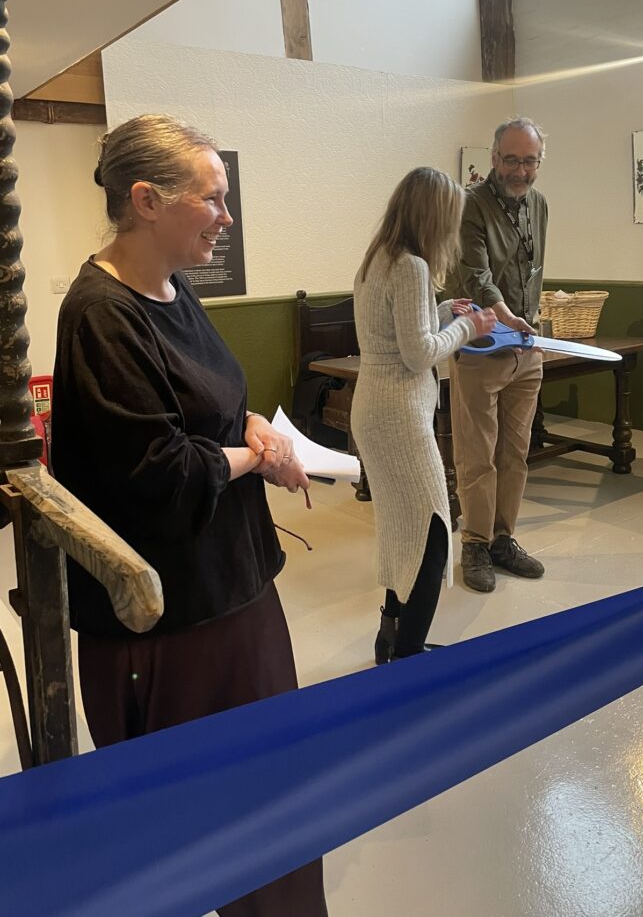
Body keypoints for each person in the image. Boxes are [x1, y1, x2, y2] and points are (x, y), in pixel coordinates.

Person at [50, 114, 327, 917]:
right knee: (204, 826)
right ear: (145, 200)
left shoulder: (175, 292)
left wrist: (253, 429)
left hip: (237, 590)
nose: (227, 217)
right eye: (213, 199)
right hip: (174, 623)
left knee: (272, 807)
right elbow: (160, 474)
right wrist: (258, 459)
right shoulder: (101, 314)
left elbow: (215, 402)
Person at [351, 167, 495, 662]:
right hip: (399, 415)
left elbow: (394, 331)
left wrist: (440, 309)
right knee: (434, 529)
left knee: (398, 529)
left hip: (373, 407)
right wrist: (469, 327)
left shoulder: (376, 260)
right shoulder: (411, 265)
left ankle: (389, 633)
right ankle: (411, 652)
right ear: (432, 217)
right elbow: (418, 354)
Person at [444, 117, 549, 594]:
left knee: (515, 452)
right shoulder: (470, 205)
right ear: (493, 158)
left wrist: (530, 326)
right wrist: (507, 317)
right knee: (476, 454)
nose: (519, 170)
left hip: (527, 347)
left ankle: (504, 538)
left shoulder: (540, 205)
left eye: (529, 161)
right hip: (483, 345)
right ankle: (475, 543)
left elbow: (533, 270)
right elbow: (475, 276)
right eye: (511, 159)